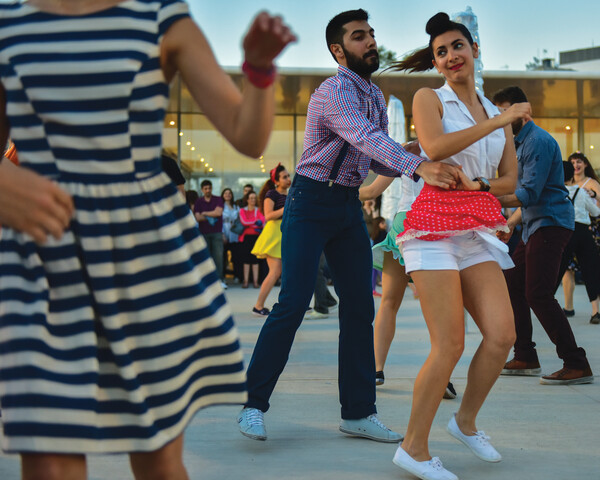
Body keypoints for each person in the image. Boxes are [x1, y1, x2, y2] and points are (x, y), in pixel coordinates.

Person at [0, 2, 295, 479]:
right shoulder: (9, 18)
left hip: (141, 256)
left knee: (156, 456)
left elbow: (247, 135)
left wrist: (259, 71)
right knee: (48, 458)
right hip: (41, 253)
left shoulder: (160, 15)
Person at [237, 9, 462, 445]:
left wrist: (412, 150)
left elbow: (372, 156)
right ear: (339, 50)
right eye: (360, 37)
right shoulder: (331, 92)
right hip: (309, 201)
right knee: (294, 301)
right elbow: (362, 136)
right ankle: (252, 405)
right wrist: (417, 164)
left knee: (361, 307)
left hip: (346, 207)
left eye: (372, 34)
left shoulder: (375, 96)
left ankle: (358, 412)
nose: (371, 42)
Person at [391, 13, 533, 480]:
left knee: (502, 336)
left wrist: (480, 181)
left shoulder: (498, 115)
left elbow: (511, 181)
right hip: (432, 226)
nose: (451, 56)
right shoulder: (429, 97)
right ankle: (412, 448)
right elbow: (433, 147)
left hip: (476, 230)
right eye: (441, 52)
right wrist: (499, 122)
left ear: (474, 50)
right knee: (448, 344)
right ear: (436, 63)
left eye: (457, 46)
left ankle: (465, 421)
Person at [492, 86, 595, 386]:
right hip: (536, 224)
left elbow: (529, 193)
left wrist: (485, 192)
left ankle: (576, 363)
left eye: (505, 112)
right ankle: (525, 355)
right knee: (513, 283)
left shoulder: (537, 141)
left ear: (521, 112)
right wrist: (510, 223)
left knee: (537, 293)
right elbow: (529, 199)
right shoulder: (518, 143)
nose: (501, 119)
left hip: (551, 224)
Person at [359, 175, 457, 400]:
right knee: (435, 305)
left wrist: (338, 189)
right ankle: (441, 374)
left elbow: (372, 190)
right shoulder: (448, 149)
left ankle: (376, 369)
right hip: (432, 221)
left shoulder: (404, 152)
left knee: (389, 301)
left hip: (403, 223)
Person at [559, 152, 600, 323]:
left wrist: (595, 196)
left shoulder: (560, 191)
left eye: (579, 162)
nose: (576, 165)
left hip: (568, 231)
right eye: (573, 163)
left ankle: (546, 303)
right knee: (585, 270)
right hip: (584, 230)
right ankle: (591, 310)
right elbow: (596, 212)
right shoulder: (579, 191)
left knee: (561, 268)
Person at [250, 163, 291, 316]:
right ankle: (258, 305)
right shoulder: (272, 194)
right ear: (276, 181)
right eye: (284, 177)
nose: (288, 179)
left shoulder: (290, 194)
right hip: (274, 234)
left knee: (287, 272)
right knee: (274, 272)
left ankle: (292, 304)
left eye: (288, 176)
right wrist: (287, 206)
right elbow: (268, 216)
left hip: (285, 234)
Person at [194, 179, 226, 288]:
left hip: (217, 232)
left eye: (209, 188)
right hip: (204, 233)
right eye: (205, 188)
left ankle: (220, 280)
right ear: (202, 190)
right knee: (205, 258)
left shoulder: (218, 199)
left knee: (218, 257)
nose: (208, 190)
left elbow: (218, 212)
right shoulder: (199, 201)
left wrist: (205, 213)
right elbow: (197, 217)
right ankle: (207, 281)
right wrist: (212, 214)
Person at [239, 191, 265, 288]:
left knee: (255, 260)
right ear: (247, 200)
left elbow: (262, 222)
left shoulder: (259, 210)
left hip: (256, 237)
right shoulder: (242, 210)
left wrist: (252, 224)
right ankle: (245, 281)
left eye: (255, 198)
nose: (253, 200)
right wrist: (255, 222)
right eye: (251, 198)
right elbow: (244, 222)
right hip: (246, 238)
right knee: (246, 260)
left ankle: (255, 282)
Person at [222, 187, 243, 283]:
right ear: (223, 195)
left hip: (234, 234)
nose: (228, 195)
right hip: (224, 232)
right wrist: (222, 234)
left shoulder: (236, 206)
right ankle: (222, 276)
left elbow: (239, 220)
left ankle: (237, 276)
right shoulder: (220, 206)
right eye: (225, 193)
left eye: (229, 193)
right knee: (223, 257)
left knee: (236, 257)